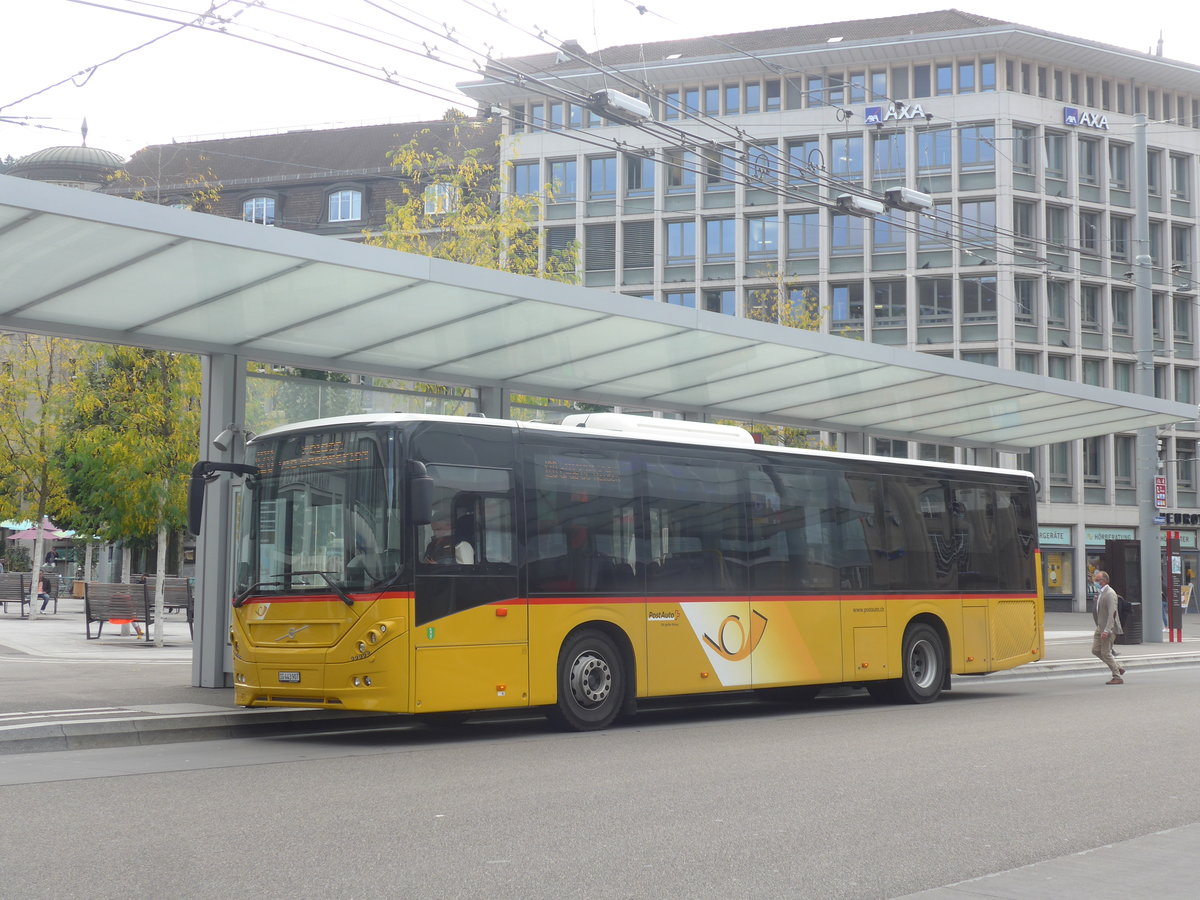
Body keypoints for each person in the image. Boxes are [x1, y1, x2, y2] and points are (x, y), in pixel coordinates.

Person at [1091, 570, 1125, 685]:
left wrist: (1107, 630)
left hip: (1108, 628)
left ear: (1104, 581)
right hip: (1100, 627)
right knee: (1095, 650)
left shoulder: (1110, 593)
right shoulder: (1100, 593)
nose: (1095, 582)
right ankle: (1117, 667)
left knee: (1105, 652)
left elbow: (1112, 613)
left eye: (1098, 580)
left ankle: (1117, 676)